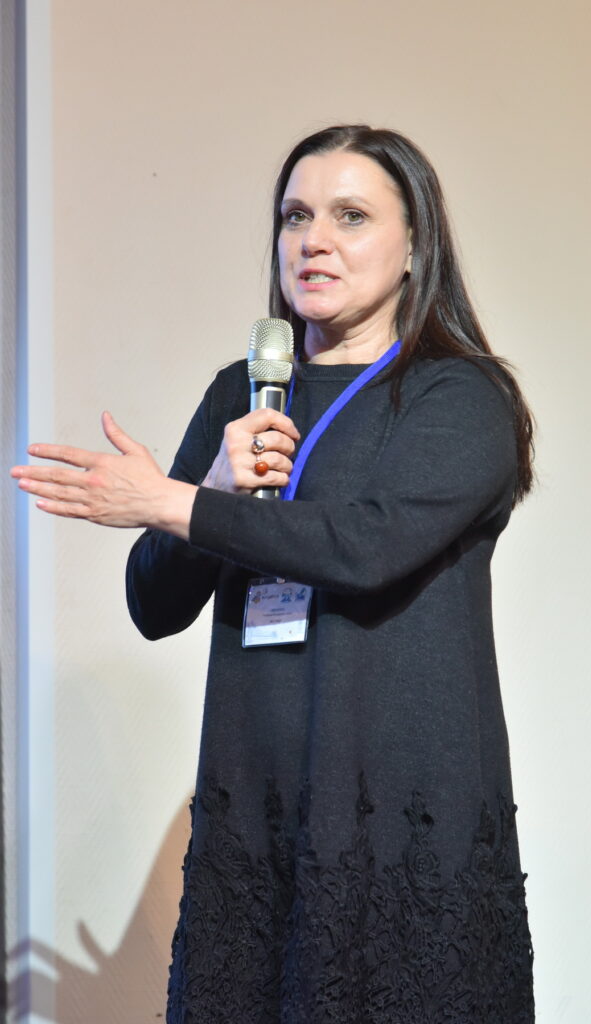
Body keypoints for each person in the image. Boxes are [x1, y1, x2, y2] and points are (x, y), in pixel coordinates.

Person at [12, 125, 535, 1022]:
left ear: (415, 245)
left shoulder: (459, 395)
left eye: (350, 216)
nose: (313, 240)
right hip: (259, 814)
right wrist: (211, 489)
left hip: (398, 814)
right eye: (295, 216)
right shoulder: (242, 391)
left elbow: (363, 548)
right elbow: (154, 603)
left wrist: (173, 502)